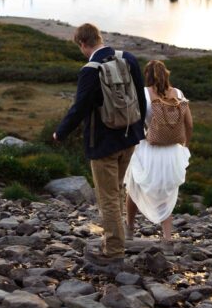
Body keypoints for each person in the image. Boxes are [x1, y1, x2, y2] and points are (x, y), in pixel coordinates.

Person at [53, 23, 146, 264]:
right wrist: (139, 130)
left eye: (80, 47)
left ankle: (113, 250)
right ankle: (113, 241)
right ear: (100, 37)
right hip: (129, 137)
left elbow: (80, 108)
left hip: (103, 143)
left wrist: (60, 133)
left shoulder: (90, 70)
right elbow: (139, 97)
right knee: (116, 191)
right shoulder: (128, 58)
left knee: (107, 197)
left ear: (83, 44)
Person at [125, 60, 192, 241]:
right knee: (167, 193)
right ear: (166, 74)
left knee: (133, 187)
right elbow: (189, 124)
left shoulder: (144, 94)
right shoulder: (178, 93)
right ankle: (167, 237)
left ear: (146, 75)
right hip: (172, 152)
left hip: (148, 148)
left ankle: (129, 229)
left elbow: (134, 122)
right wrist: (185, 145)